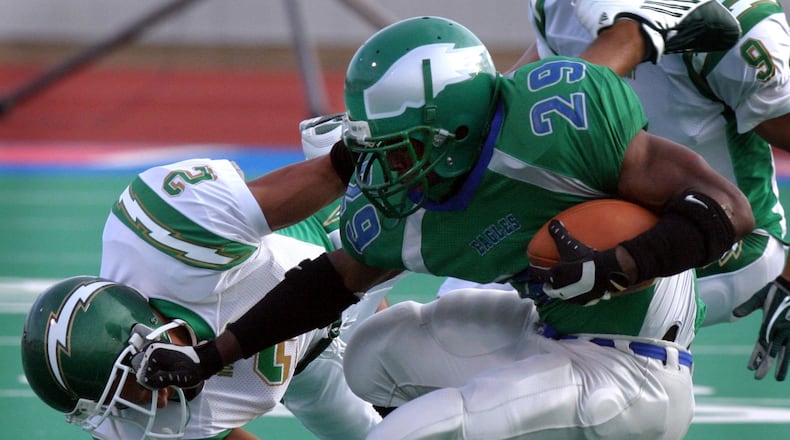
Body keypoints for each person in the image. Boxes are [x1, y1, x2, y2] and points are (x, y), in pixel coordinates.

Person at [133, 14, 755, 439]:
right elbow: (325, 284)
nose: (383, 169)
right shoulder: (409, 202)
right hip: (551, 333)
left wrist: (619, 266)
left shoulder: (555, 125)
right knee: (371, 357)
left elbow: (728, 210)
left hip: (634, 371)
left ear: (455, 130)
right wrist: (210, 356)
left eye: (399, 148)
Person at [20, 117, 385, 439]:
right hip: (306, 367)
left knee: (390, 191)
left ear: (143, 330)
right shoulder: (124, 419)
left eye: (143, 384)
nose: (152, 404)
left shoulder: (166, 234)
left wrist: (361, 161)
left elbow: (330, 174)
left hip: (333, 243)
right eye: (117, 406)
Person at [520, 0, 790, 380]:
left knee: (520, 311)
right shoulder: (558, 6)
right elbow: (527, 105)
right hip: (606, 217)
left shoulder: (737, 17)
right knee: (470, 296)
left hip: (720, 239)